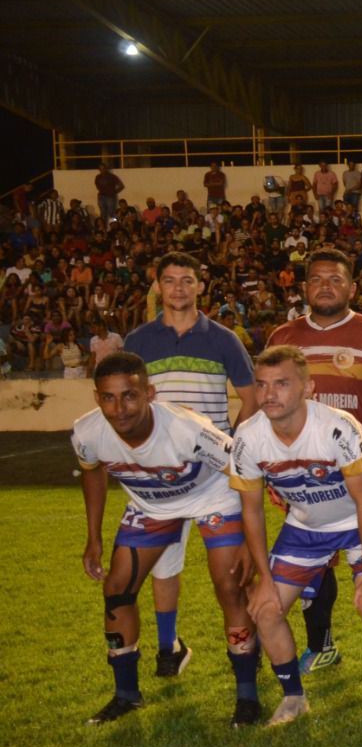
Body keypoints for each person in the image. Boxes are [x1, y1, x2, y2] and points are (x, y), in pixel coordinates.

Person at [71, 352, 260, 725]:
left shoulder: (187, 429)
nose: (119, 408)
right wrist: (93, 537)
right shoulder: (86, 432)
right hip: (152, 505)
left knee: (230, 586)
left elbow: (243, 470)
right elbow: (92, 472)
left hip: (214, 497)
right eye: (108, 397)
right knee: (117, 590)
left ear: (150, 393)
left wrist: (249, 541)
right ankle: (126, 694)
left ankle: (247, 696)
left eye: (129, 396)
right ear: (97, 398)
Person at [230, 346, 362, 730]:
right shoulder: (247, 436)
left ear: (308, 388)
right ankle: (293, 698)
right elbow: (253, 511)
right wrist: (263, 578)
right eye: (261, 385)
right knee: (265, 609)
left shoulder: (337, 427)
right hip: (306, 527)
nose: (269, 394)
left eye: (281, 384)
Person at [267, 245, 362, 671]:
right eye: (317, 279)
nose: (326, 287)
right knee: (315, 562)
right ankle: (322, 644)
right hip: (306, 480)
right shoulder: (284, 338)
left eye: (335, 279)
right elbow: (267, 405)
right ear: (303, 286)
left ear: (351, 285)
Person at [123, 251, 257, 676]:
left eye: (187, 280)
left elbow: (250, 398)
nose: (178, 288)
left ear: (200, 286)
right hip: (161, 476)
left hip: (213, 478)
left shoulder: (223, 338)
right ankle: (170, 648)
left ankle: (246, 668)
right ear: (157, 286)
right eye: (170, 280)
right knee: (163, 565)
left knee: (232, 578)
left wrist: (229, 447)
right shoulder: (139, 341)